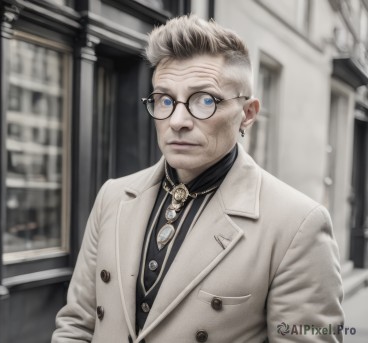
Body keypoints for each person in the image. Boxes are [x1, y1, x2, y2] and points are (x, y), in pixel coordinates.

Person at [52, 14, 344, 343]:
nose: (177, 120)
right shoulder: (113, 197)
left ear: (247, 114)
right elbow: (76, 324)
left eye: (204, 100)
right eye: (164, 99)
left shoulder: (297, 226)